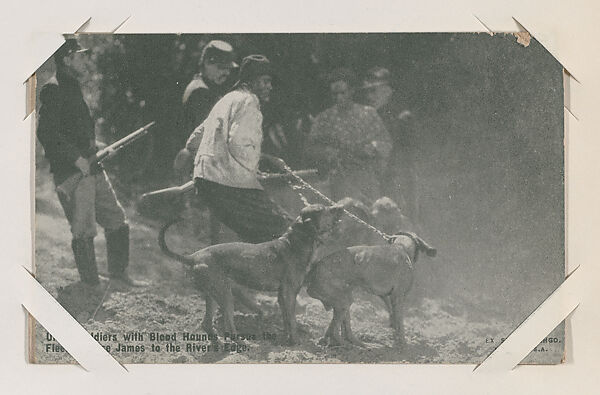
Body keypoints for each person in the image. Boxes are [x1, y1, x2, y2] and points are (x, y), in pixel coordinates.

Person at [36, 38, 146, 288]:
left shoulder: (73, 86)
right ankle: (90, 285)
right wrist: (76, 159)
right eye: (80, 56)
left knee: (117, 220)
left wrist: (98, 147)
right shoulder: (53, 88)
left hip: (92, 167)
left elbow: (74, 130)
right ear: (66, 59)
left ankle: (119, 275)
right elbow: (48, 133)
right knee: (84, 229)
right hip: (73, 172)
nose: (84, 60)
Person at [175, 55, 291, 243]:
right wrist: (266, 160)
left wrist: (216, 163)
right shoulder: (249, 101)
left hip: (207, 183)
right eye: (265, 81)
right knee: (283, 229)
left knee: (253, 236)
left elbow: (193, 142)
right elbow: (239, 145)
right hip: (228, 186)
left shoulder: (226, 100)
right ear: (251, 82)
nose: (269, 86)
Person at [307, 68, 392, 204]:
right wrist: (328, 153)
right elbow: (311, 148)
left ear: (352, 91)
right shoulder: (324, 119)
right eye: (334, 94)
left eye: (343, 93)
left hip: (366, 178)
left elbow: (385, 142)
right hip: (339, 179)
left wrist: (371, 148)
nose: (339, 97)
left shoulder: (368, 114)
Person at [362, 66, 418, 221]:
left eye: (374, 90)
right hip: (378, 180)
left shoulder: (402, 117)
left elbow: (404, 158)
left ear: (388, 90)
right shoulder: (370, 116)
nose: (369, 96)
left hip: (397, 181)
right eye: (366, 91)